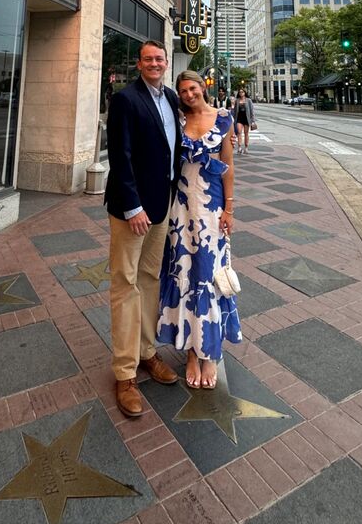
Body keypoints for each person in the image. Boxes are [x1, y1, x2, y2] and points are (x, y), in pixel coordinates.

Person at [104, 40, 182, 418]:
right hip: (131, 210)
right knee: (125, 283)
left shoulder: (170, 98)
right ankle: (124, 373)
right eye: (149, 59)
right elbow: (120, 156)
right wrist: (133, 205)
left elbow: (173, 151)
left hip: (161, 205)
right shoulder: (125, 99)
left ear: (166, 64)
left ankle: (147, 353)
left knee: (151, 278)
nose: (155, 63)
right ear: (139, 64)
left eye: (160, 59)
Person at [158, 70, 241, 389]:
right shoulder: (177, 122)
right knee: (186, 275)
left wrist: (230, 209)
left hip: (212, 209)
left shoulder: (223, 119)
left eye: (192, 88)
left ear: (202, 87)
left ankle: (209, 353)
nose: (188, 94)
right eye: (182, 91)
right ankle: (192, 351)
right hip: (180, 209)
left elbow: (229, 168)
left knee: (209, 276)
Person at [232, 88, 256, 154]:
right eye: (240, 92)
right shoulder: (237, 101)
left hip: (246, 118)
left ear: (245, 93)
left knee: (246, 133)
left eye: (242, 92)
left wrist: (253, 120)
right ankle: (239, 147)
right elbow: (235, 111)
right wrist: (234, 119)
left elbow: (252, 111)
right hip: (239, 118)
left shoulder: (248, 100)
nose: (241, 93)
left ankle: (246, 147)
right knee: (239, 132)